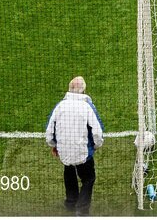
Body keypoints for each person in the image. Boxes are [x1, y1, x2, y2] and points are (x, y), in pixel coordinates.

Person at [45, 76, 105, 216]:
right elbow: (97, 131)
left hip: (64, 151)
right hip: (83, 152)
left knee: (69, 169)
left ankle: (71, 202)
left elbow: (49, 131)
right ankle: (82, 209)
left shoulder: (59, 106)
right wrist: (96, 146)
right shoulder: (87, 106)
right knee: (88, 178)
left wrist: (54, 145)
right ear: (83, 90)